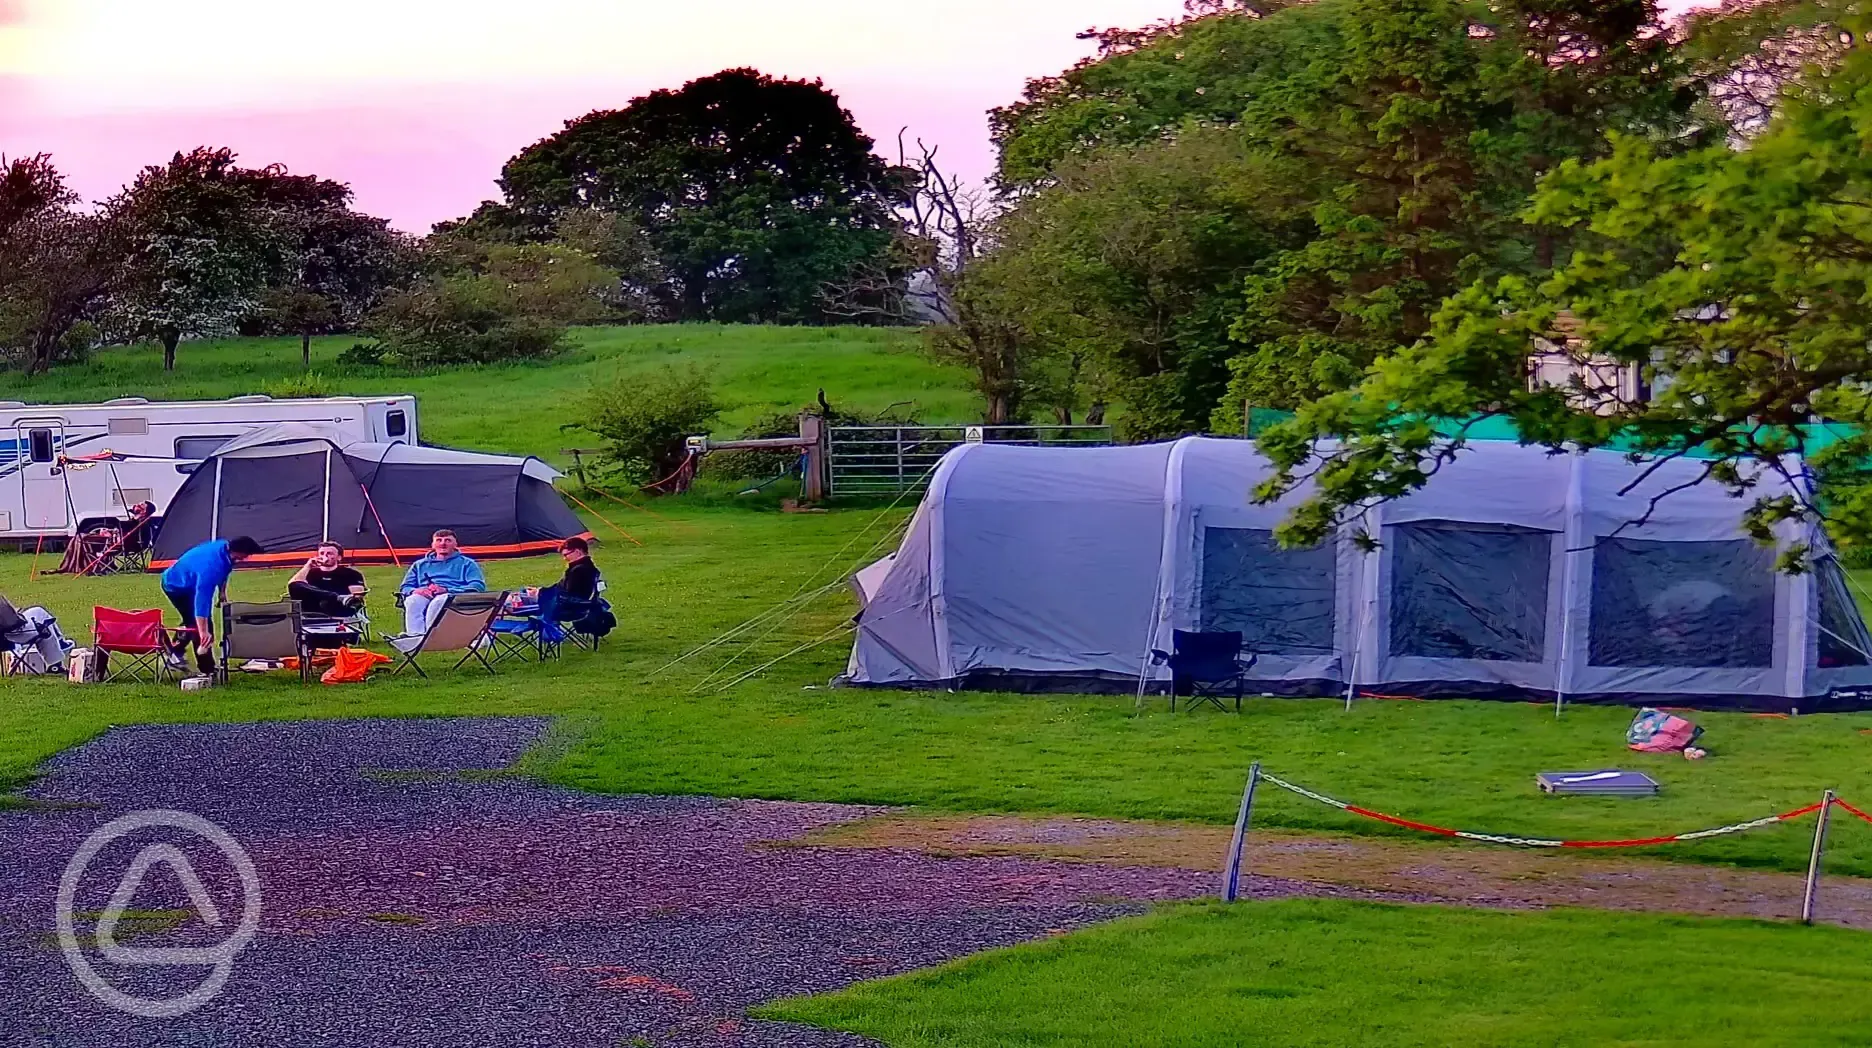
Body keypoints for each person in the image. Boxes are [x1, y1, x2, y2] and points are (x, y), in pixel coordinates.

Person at [160, 535, 265, 673]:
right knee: (201, 626)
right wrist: (204, 632)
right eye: (245, 555)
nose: (246, 558)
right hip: (175, 586)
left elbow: (226, 569)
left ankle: (174, 655)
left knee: (191, 621)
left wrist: (222, 592)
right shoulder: (210, 568)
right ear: (237, 550)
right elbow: (202, 601)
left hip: (190, 581)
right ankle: (207, 669)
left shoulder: (225, 548)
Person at [397, 530, 486, 636]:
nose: (443, 543)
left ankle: (432, 636)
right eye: (439, 540)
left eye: (448, 540)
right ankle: (416, 636)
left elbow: (477, 586)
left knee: (439, 601)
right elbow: (405, 587)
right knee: (413, 601)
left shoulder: (467, 563)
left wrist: (447, 590)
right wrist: (416, 590)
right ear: (433, 544)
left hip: (453, 595)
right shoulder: (419, 565)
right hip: (426, 594)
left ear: (455, 544)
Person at [288, 542, 367, 618]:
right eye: (322, 553)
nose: (325, 556)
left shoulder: (351, 573)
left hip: (338, 607)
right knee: (294, 585)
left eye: (329, 553)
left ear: (339, 557)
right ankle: (335, 596)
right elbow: (293, 586)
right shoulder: (310, 573)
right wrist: (308, 566)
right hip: (313, 609)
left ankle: (337, 598)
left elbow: (357, 598)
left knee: (332, 602)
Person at [0, 593, 70, 675]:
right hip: (14, 635)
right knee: (43, 623)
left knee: (39, 614)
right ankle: (56, 661)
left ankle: (59, 646)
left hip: (7, 635)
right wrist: (19, 615)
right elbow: (12, 623)